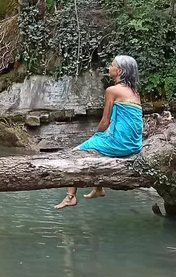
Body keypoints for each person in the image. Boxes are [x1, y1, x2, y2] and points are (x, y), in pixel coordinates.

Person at [54, 55, 143, 210]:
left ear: (119, 70)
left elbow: (105, 121)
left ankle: (70, 196)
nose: (109, 67)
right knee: (99, 150)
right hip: (135, 144)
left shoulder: (112, 90)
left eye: (112, 65)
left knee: (76, 153)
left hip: (120, 143)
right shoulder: (134, 92)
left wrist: (95, 135)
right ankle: (99, 188)